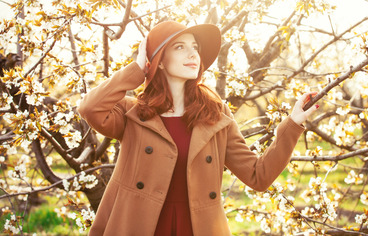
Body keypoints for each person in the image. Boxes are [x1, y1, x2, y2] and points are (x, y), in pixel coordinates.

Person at [78, 21, 319, 235]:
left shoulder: (215, 114)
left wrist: (293, 123)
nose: (193, 53)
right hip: (139, 226)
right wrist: (137, 70)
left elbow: (258, 175)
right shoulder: (133, 113)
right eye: (179, 47)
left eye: (195, 46)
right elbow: (90, 108)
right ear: (159, 61)